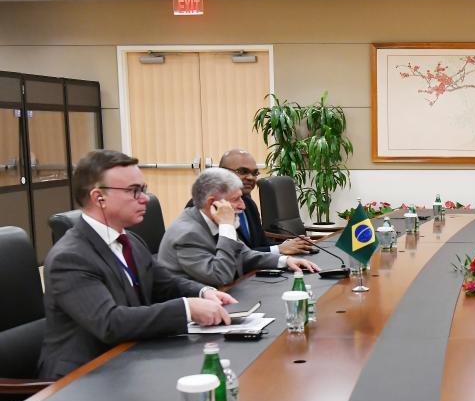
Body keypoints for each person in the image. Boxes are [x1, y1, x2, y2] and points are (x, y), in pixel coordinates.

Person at [39, 150, 236, 380]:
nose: (145, 198)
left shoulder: (130, 240)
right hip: (83, 378)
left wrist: (203, 292)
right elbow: (110, 323)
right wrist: (187, 308)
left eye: (143, 189)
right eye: (134, 191)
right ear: (98, 198)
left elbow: (165, 284)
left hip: (132, 360)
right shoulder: (70, 258)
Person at [159, 168, 320, 287]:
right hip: (191, 318)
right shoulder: (187, 234)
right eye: (236, 199)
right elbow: (220, 276)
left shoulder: (212, 221)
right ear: (212, 203)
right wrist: (227, 227)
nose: (243, 206)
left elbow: (244, 254)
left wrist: (286, 260)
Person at [212, 149, 314, 255]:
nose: (251, 177)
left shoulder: (249, 204)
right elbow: (229, 254)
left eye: (255, 173)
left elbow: (260, 244)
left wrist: (292, 244)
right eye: (243, 171)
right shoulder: (208, 208)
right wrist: (278, 249)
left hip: (258, 267)